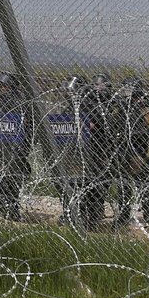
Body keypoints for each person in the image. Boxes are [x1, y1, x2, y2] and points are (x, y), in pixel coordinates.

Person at [0, 73, 33, 221]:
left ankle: (11, 211)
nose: (3, 89)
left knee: (10, 181)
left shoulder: (21, 104)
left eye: (6, 86)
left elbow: (28, 128)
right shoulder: (0, 103)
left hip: (13, 149)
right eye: (1, 86)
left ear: (13, 88)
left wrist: (24, 147)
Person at [113, 77, 149, 230]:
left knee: (143, 186)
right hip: (124, 151)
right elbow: (112, 124)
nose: (126, 93)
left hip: (141, 152)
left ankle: (148, 216)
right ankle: (123, 216)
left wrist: (140, 132)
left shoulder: (145, 108)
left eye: (129, 90)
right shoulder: (122, 108)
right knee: (124, 187)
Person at [51, 75, 97, 229]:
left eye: (73, 91)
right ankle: (68, 212)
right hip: (69, 153)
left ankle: (82, 215)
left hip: (85, 153)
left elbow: (95, 128)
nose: (70, 94)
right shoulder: (69, 107)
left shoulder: (90, 107)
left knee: (82, 184)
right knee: (66, 183)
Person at [79, 72, 121, 228]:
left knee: (103, 181)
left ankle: (97, 209)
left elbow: (114, 125)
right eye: (96, 86)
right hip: (90, 148)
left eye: (102, 86)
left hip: (106, 148)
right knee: (89, 180)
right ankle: (89, 211)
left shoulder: (113, 104)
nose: (99, 89)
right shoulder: (88, 103)